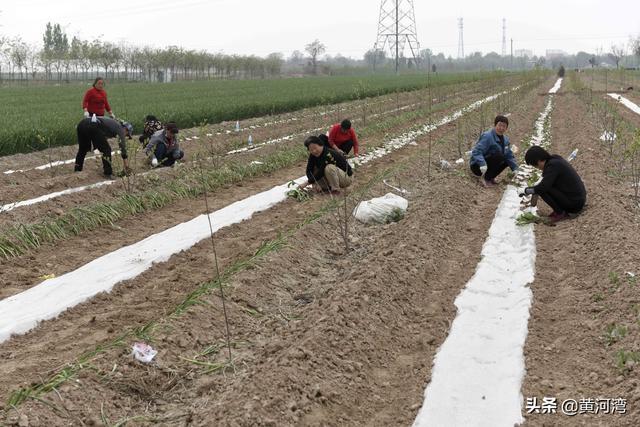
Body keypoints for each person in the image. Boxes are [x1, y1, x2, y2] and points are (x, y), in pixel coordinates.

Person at [520, 146, 586, 222]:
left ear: (538, 161)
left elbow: (542, 188)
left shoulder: (552, 166)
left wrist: (526, 191)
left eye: (535, 165)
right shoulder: (554, 159)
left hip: (575, 204)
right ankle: (559, 210)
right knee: (543, 185)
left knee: (542, 189)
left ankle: (560, 213)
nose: (537, 168)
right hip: (578, 199)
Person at [470, 115, 518, 187]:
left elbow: (509, 155)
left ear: (506, 128)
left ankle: (491, 177)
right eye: (499, 125)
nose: (501, 128)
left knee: (506, 160)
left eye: (504, 126)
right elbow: (476, 152)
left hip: (489, 163)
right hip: (478, 166)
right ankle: (486, 179)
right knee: (498, 156)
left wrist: (515, 168)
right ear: (495, 125)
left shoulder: (505, 139)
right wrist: (482, 163)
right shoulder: (487, 136)